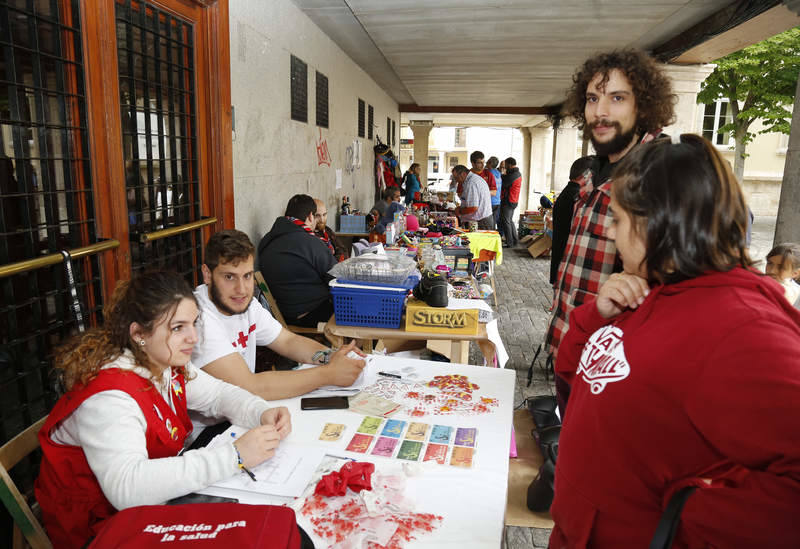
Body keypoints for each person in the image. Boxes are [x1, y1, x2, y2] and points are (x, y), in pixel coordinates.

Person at [549, 133, 800, 548]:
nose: (611, 234)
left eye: (617, 220)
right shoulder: (653, 287)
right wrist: (595, 315)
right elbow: (576, 382)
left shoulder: (742, 326)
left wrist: (683, 521)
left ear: (655, 221)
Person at [35, 271, 292, 549]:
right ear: (139, 334)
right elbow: (127, 488)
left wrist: (261, 411)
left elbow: (218, 394)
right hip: (96, 527)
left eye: (193, 323)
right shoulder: (110, 397)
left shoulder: (164, 362)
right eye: (178, 327)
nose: (193, 337)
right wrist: (235, 455)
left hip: (146, 504)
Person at [544, 49, 676, 415]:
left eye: (617, 97)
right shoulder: (594, 172)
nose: (600, 111)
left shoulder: (660, 176)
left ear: (644, 106)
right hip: (573, 352)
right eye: (592, 98)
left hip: (614, 372)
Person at [194, 229, 363, 442]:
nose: (241, 288)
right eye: (229, 277)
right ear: (207, 274)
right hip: (211, 432)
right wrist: (329, 373)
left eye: (247, 276)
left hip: (244, 412)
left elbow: (288, 341)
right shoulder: (197, 318)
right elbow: (249, 385)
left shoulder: (245, 304)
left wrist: (334, 356)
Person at [258, 195, 338, 327]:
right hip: (315, 315)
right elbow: (336, 277)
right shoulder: (311, 243)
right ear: (311, 217)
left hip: (283, 315)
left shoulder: (267, 241)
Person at [549, 156, 594, 285]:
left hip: (562, 261)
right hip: (568, 263)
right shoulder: (577, 197)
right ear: (585, 176)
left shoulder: (569, 192)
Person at [453, 164, 493, 229]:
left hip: (480, 222)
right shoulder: (472, 180)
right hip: (481, 220)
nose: (456, 181)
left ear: (463, 174)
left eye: (456, 178)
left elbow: (473, 208)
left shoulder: (471, 183)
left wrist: (459, 211)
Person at [499, 157, 522, 247]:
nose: (505, 167)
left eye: (506, 165)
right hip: (513, 200)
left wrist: (500, 174)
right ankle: (515, 240)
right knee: (509, 220)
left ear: (509, 164)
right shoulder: (516, 173)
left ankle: (510, 242)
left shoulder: (514, 174)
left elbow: (504, 183)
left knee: (506, 221)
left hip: (509, 201)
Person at [487, 156, 503, 231]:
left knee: (488, 222)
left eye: (487, 162)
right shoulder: (498, 173)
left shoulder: (489, 173)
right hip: (497, 201)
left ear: (490, 163)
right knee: (494, 221)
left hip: (490, 201)